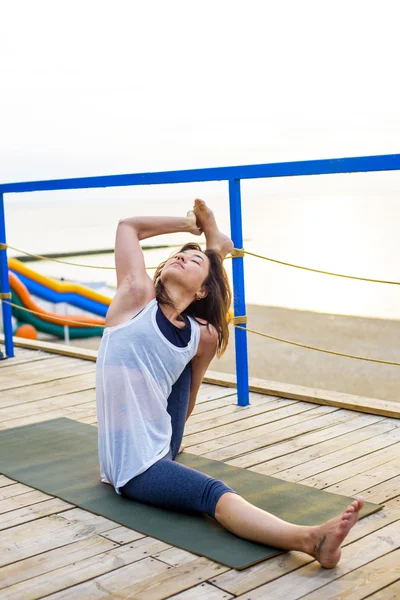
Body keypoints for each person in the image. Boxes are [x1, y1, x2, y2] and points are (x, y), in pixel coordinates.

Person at [96, 198, 365, 569]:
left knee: (202, 337)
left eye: (193, 260)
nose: (180, 257)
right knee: (210, 493)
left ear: (203, 292)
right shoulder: (135, 298)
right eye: (179, 256)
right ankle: (309, 540)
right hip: (133, 467)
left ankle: (216, 248)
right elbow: (128, 226)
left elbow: (186, 399)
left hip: (161, 437)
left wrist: (170, 440)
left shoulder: (200, 335)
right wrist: (191, 225)